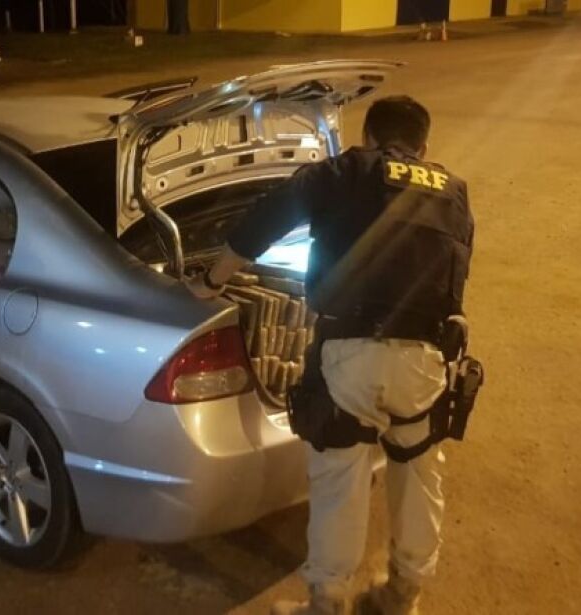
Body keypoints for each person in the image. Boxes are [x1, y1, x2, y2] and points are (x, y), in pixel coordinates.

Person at [187, 96, 474, 615]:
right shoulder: (454, 191)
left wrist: (212, 280)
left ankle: (328, 603)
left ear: (369, 138)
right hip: (426, 359)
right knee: (418, 473)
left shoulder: (345, 171)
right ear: (424, 145)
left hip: (352, 350)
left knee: (341, 476)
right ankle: (402, 595)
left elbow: (266, 218)